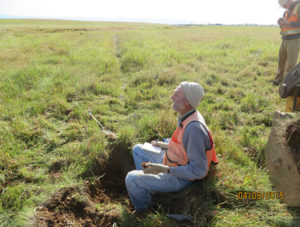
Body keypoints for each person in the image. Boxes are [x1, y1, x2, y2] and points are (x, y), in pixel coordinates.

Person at [125, 81, 218, 212]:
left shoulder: (194, 129)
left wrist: (165, 170)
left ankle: (144, 210)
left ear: (187, 102)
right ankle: (150, 188)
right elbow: (183, 146)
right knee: (138, 150)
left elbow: (199, 170)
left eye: (176, 94)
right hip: (172, 161)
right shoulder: (188, 114)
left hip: (180, 177)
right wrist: (163, 145)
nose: (171, 97)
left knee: (131, 179)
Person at [273, 0, 300, 86]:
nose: (283, 7)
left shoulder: (298, 8)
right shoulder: (286, 12)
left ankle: (286, 84)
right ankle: (277, 80)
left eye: (284, 5)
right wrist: (281, 23)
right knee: (281, 62)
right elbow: (285, 26)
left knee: (290, 64)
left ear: (289, 1)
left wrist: (290, 23)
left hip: (294, 40)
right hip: (284, 39)